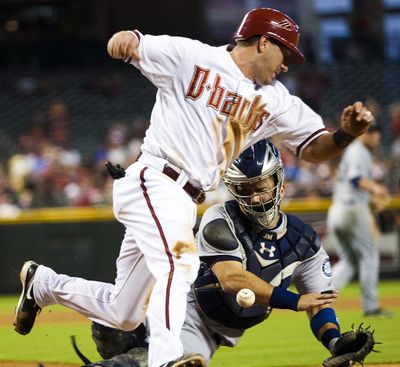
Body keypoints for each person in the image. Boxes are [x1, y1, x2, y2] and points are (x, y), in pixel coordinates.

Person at [14, 7, 374, 367]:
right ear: (264, 42)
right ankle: (167, 359)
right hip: (156, 179)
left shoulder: (277, 100)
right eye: (286, 52)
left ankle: (43, 284)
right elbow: (133, 44)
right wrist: (123, 40)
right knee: (180, 264)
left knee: (124, 312)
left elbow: (313, 148)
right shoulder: (193, 56)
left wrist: (346, 135)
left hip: (185, 199)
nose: (287, 64)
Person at [75, 140, 353, 367]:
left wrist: (334, 340)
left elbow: (319, 303)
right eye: (246, 189)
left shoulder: (304, 241)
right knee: (125, 340)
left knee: (170, 361)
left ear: (279, 183)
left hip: (214, 332)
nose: (255, 197)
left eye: (262, 187)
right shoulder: (221, 217)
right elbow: (230, 278)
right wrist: (294, 300)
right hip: (187, 308)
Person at [327, 126, 392, 317]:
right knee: (369, 255)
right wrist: (376, 189)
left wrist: (372, 199)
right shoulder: (358, 150)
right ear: (368, 134)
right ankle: (371, 306)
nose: (377, 140)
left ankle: (322, 294)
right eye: (375, 136)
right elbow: (356, 180)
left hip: (338, 209)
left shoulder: (354, 150)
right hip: (352, 210)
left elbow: (352, 184)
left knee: (350, 259)